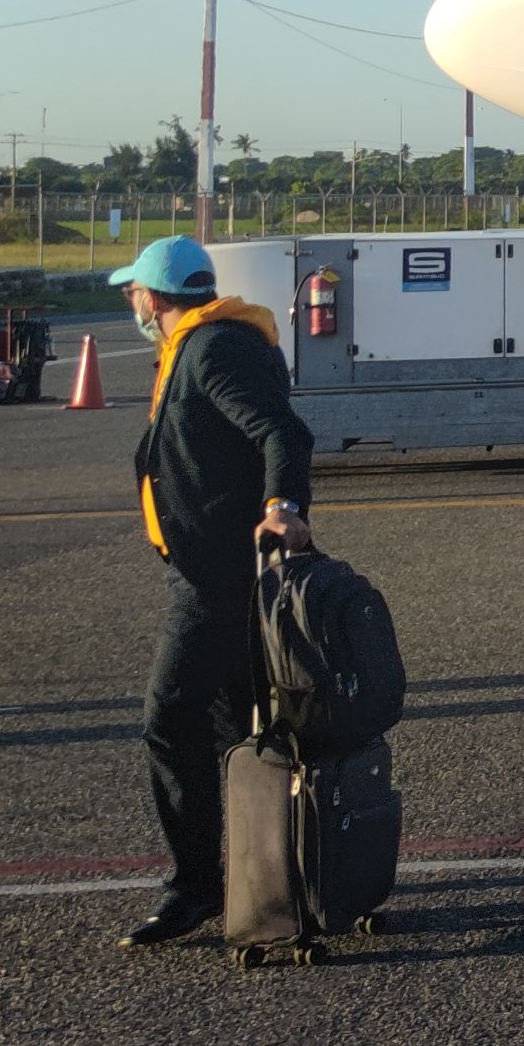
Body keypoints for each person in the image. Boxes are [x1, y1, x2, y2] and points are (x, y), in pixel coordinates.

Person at [111, 235, 313, 948]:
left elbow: (281, 431)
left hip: (214, 576)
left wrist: (283, 504)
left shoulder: (211, 350)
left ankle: (194, 885)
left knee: (170, 720)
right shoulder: (202, 343)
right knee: (236, 729)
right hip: (209, 567)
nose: (132, 302)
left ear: (155, 297)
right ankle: (263, 873)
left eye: (133, 291)